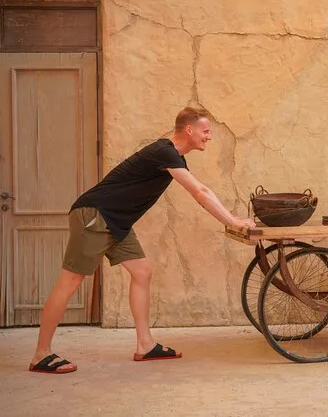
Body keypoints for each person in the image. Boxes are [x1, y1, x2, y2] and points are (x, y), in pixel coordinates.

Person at [29, 107, 256, 374]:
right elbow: (201, 192)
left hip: (117, 222)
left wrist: (232, 219)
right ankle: (41, 354)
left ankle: (145, 345)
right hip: (95, 215)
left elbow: (202, 191)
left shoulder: (172, 156)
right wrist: (233, 221)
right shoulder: (165, 152)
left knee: (142, 271)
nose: (209, 137)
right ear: (189, 130)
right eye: (206, 131)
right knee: (70, 281)